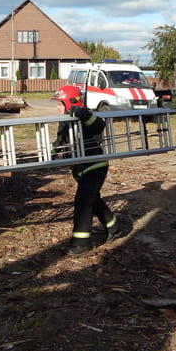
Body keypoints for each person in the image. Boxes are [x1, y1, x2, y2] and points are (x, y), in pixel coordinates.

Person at [51, 85, 125, 255]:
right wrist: (48, 156)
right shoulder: (65, 122)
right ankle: (114, 229)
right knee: (92, 199)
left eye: (60, 104)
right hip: (83, 169)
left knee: (83, 202)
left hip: (95, 166)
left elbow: (99, 125)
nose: (57, 108)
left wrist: (82, 112)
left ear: (70, 104)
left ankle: (80, 244)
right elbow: (59, 142)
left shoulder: (84, 117)